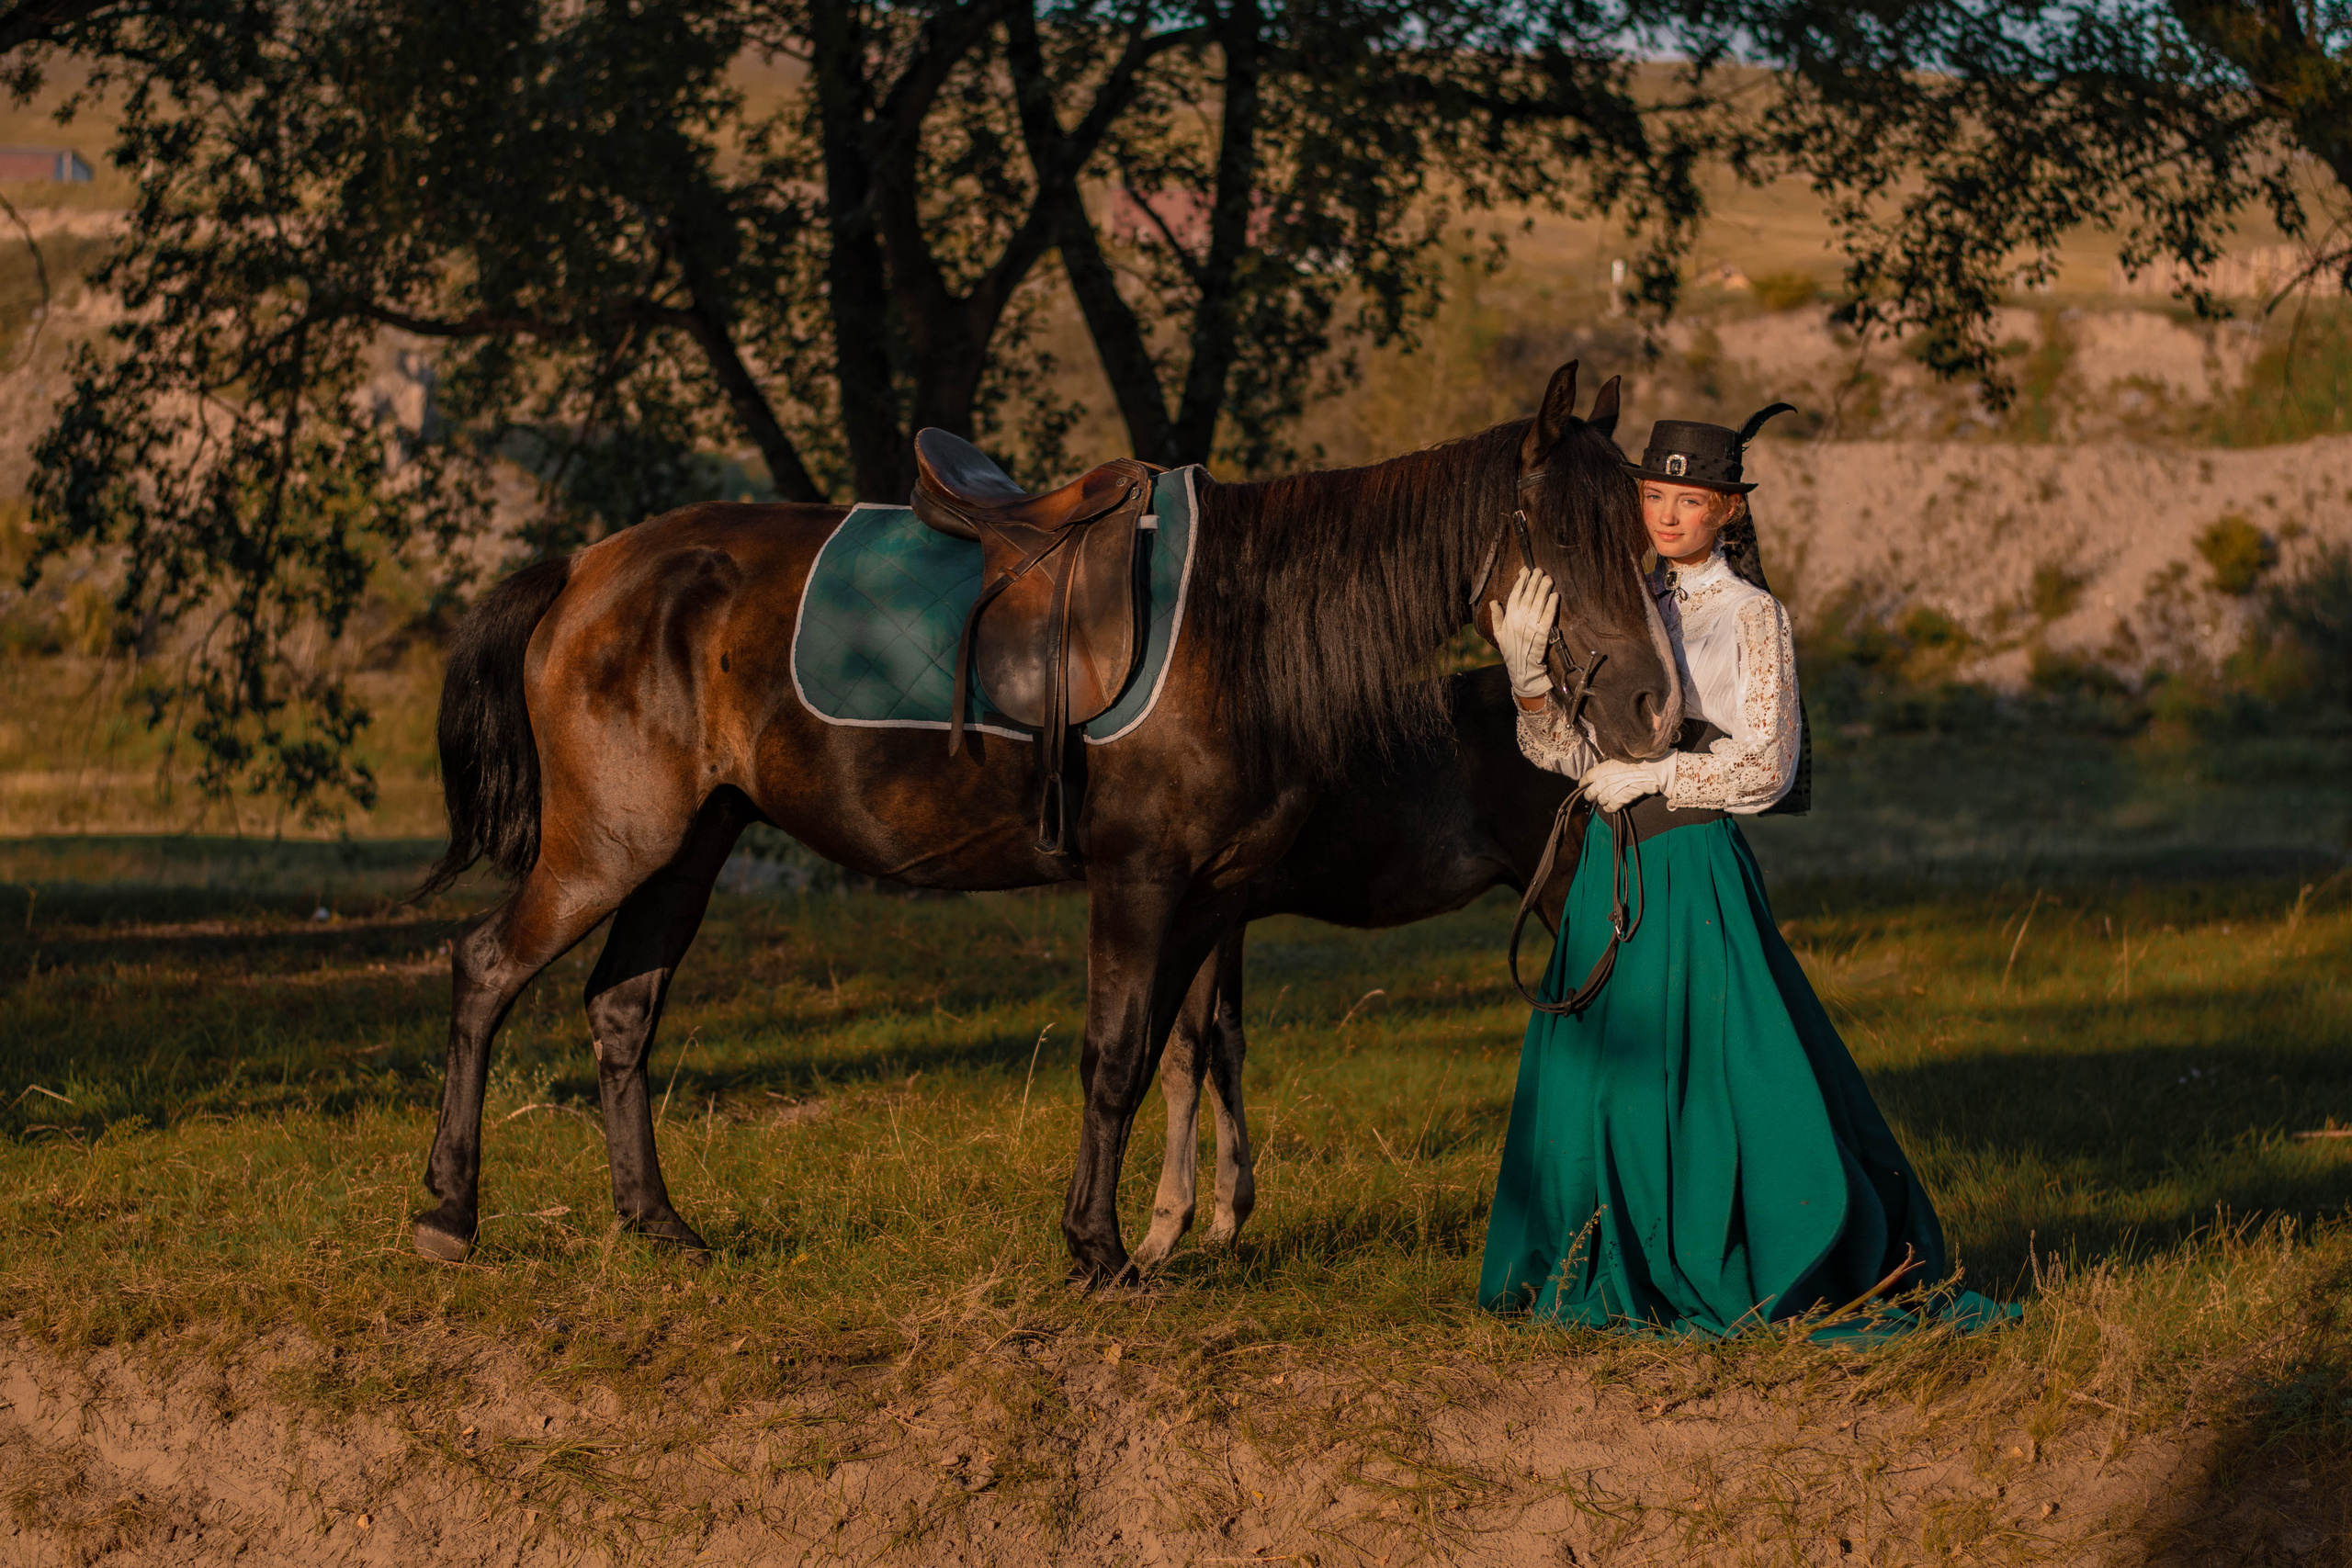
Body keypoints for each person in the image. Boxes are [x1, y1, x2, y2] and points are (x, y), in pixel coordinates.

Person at [1478, 406, 2012, 1338]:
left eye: (1690, 500)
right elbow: (1568, 756)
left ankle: (1764, 1254)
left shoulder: (1752, 616)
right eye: (1654, 495)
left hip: (1691, 866)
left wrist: (1655, 774)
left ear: (1728, 511)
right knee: (1603, 1079)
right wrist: (1528, 676)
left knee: (1727, 1079)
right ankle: (1603, 1263)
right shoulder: (1622, 602)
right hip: (1612, 870)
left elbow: (1764, 766)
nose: (1668, 515)